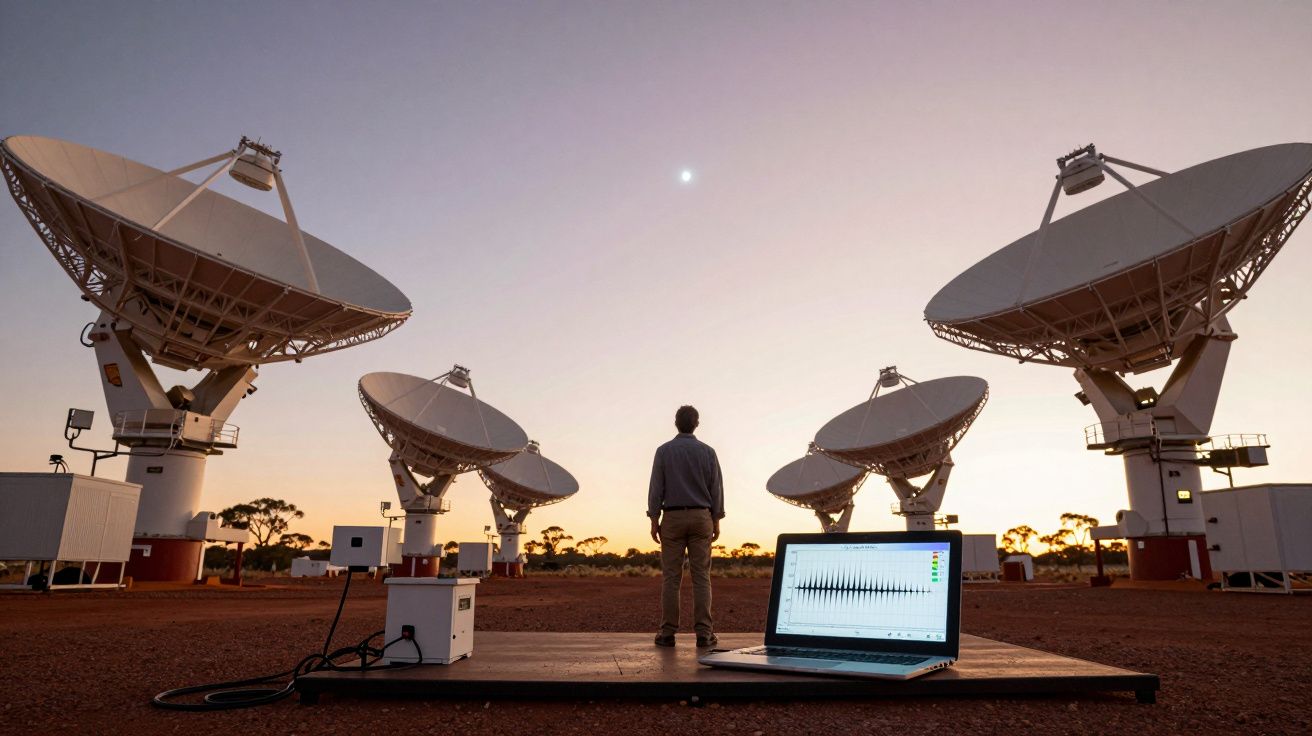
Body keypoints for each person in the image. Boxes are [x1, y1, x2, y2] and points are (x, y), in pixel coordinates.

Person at [648, 404, 724, 647]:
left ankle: (667, 632)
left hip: (672, 518)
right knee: (701, 577)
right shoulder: (708, 452)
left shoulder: (663, 452)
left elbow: (655, 487)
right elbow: (716, 488)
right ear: (697, 424)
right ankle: (704, 633)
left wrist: (653, 518)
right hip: (702, 515)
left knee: (671, 578)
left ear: (675, 423)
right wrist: (716, 519)